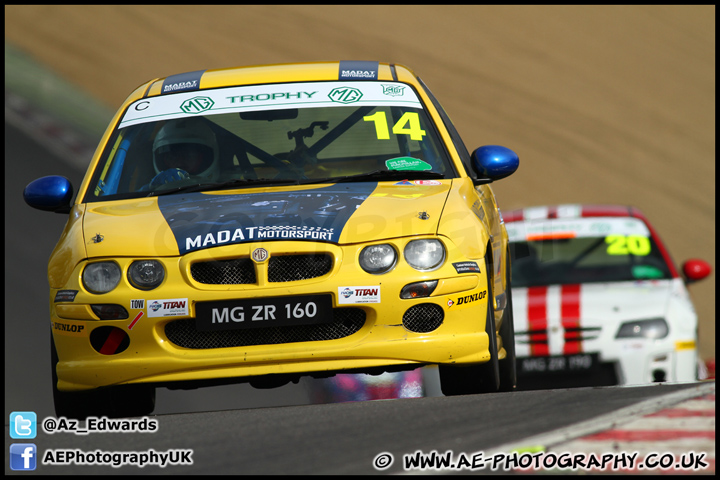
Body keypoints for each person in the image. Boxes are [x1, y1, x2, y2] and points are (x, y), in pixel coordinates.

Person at [147, 118, 220, 189]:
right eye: (172, 157)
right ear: (163, 160)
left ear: (204, 158)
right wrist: (150, 189)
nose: (180, 161)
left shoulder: (228, 187)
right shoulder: (145, 194)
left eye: (188, 155)